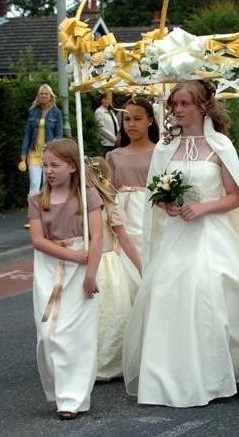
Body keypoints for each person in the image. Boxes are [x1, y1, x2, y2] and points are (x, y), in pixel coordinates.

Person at [123, 80, 239, 408]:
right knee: (168, 295)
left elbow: (235, 197)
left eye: (184, 104)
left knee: (216, 289)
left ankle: (225, 370)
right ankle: (172, 374)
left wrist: (203, 207)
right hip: (178, 234)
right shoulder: (165, 148)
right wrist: (169, 204)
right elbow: (156, 194)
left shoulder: (220, 145)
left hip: (212, 233)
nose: (177, 110)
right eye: (174, 104)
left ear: (203, 106)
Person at [28, 139, 103, 419]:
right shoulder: (37, 200)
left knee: (76, 335)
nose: (49, 170)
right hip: (50, 267)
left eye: (55, 165)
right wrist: (72, 257)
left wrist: (91, 273)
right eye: (46, 165)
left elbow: (97, 237)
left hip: (82, 269)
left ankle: (72, 399)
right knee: (48, 334)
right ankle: (60, 389)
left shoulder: (86, 196)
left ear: (72, 166)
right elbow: (37, 239)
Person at [85, 157, 142, 381]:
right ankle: (92, 360)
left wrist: (140, 267)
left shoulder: (108, 203)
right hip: (90, 262)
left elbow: (123, 238)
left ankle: (109, 360)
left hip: (107, 262)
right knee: (96, 313)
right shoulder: (79, 206)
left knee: (111, 312)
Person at [106, 97, 159, 260]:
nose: (131, 124)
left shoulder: (159, 152)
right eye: (127, 119)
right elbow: (108, 190)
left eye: (137, 119)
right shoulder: (114, 155)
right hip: (120, 214)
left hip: (148, 212)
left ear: (149, 120)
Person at [21, 84, 63, 227]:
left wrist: (54, 150)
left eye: (46, 94)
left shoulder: (56, 113)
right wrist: (23, 153)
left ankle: (47, 215)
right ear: (38, 97)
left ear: (51, 96)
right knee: (34, 184)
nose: (43, 96)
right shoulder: (33, 112)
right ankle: (32, 217)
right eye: (41, 94)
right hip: (33, 153)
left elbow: (59, 135)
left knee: (47, 185)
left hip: (48, 155)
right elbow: (27, 134)